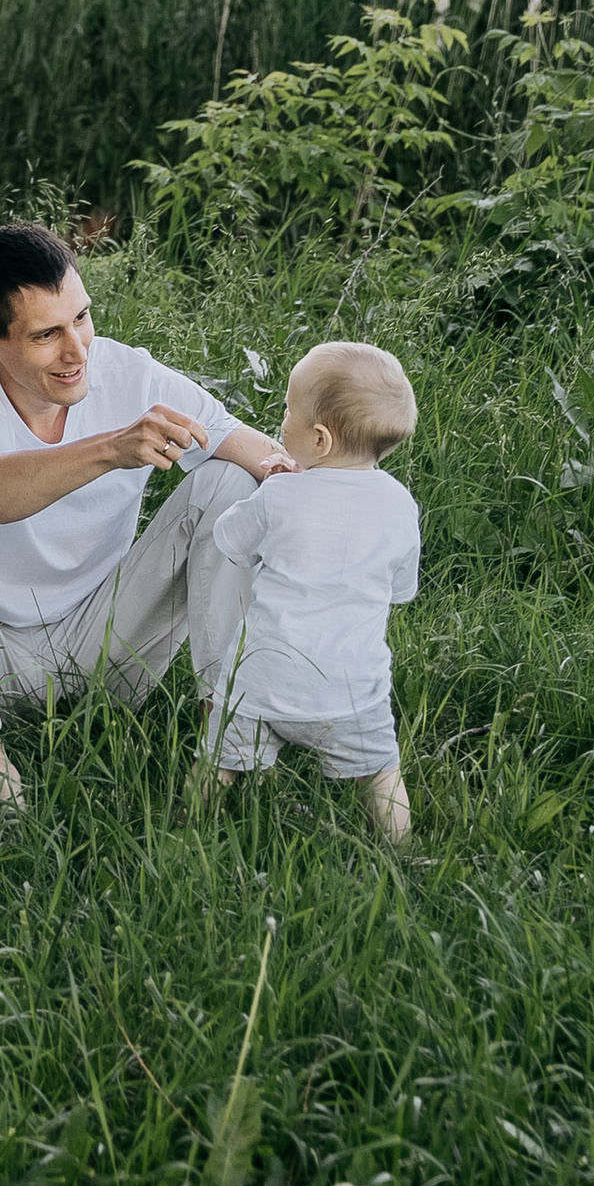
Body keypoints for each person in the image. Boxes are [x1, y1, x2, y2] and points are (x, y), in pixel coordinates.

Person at [0, 221, 291, 809]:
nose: (77, 352)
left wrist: (336, 500)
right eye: (47, 334)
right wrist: (112, 449)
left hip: (98, 647)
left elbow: (261, 456)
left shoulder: (130, 375)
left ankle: (227, 750)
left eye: (82, 318)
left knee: (229, 483)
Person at [200, 339, 420, 841]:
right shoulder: (399, 504)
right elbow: (401, 590)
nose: (281, 421)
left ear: (319, 439)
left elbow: (229, 541)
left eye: (287, 411)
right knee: (383, 773)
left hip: (261, 683)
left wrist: (270, 486)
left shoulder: (280, 495)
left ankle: (189, 830)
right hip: (351, 691)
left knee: (217, 765)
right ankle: (404, 856)